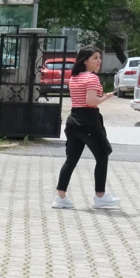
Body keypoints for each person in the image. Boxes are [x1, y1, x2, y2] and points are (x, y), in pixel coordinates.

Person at [53, 47, 119, 210]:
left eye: (99, 57)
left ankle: (60, 197)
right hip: (89, 121)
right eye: (95, 58)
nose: (99, 61)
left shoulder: (74, 77)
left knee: (71, 160)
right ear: (85, 61)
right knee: (102, 155)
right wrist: (106, 96)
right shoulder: (92, 78)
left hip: (73, 120)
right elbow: (91, 102)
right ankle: (100, 196)